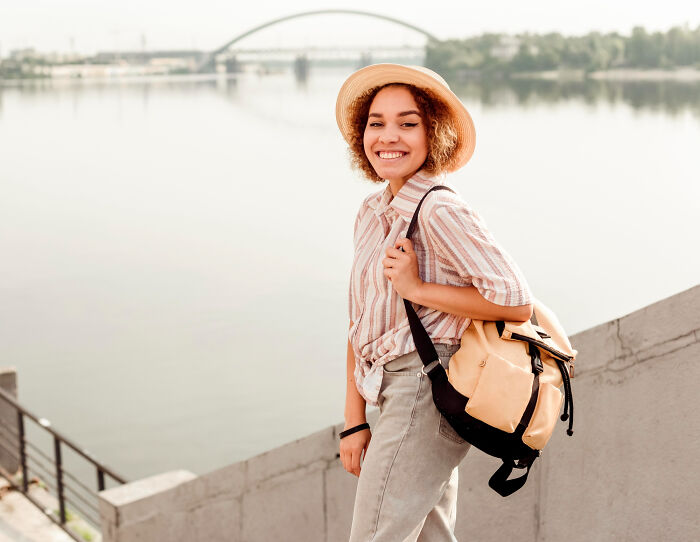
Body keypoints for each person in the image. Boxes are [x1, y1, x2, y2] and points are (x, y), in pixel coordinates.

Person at [336, 64, 534, 542]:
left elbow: (515, 302)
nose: (389, 136)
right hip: (391, 390)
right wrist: (353, 420)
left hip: (426, 389)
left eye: (408, 123)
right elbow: (359, 323)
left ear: (433, 133)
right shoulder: (372, 211)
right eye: (376, 123)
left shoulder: (440, 209)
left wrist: (418, 289)